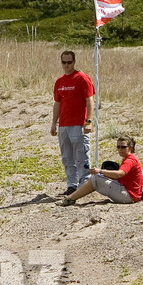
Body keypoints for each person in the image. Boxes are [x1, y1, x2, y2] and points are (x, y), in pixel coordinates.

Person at [49, 50, 95, 197]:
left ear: (74, 62)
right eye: (64, 62)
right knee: (67, 157)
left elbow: (90, 100)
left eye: (69, 62)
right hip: (64, 125)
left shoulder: (82, 78)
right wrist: (54, 123)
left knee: (81, 156)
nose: (67, 65)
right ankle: (72, 186)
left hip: (79, 124)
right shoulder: (60, 82)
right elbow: (57, 103)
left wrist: (88, 121)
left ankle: (84, 186)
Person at [61, 135, 143, 205]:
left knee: (96, 179)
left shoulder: (130, 160)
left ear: (130, 148)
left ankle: (70, 198)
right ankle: (71, 198)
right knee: (100, 177)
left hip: (129, 196)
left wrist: (101, 171)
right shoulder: (129, 159)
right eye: (118, 147)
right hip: (131, 194)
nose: (120, 150)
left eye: (123, 147)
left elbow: (120, 174)